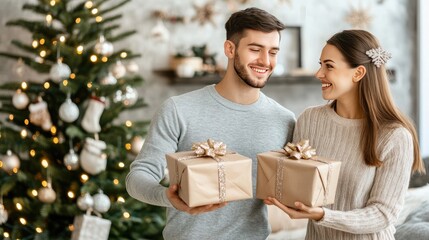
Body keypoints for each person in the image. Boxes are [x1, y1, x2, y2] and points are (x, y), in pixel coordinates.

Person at [126, 7, 296, 240]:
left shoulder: (285, 120)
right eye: (255, 49)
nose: (265, 61)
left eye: (273, 52)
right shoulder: (179, 109)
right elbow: (138, 177)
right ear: (230, 49)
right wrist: (169, 197)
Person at [265, 29, 425, 239]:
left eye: (328, 66)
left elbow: (383, 214)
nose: (319, 73)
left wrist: (324, 215)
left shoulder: (394, 136)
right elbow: (298, 181)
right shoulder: (310, 120)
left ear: (358, 73)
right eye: (320, 64)